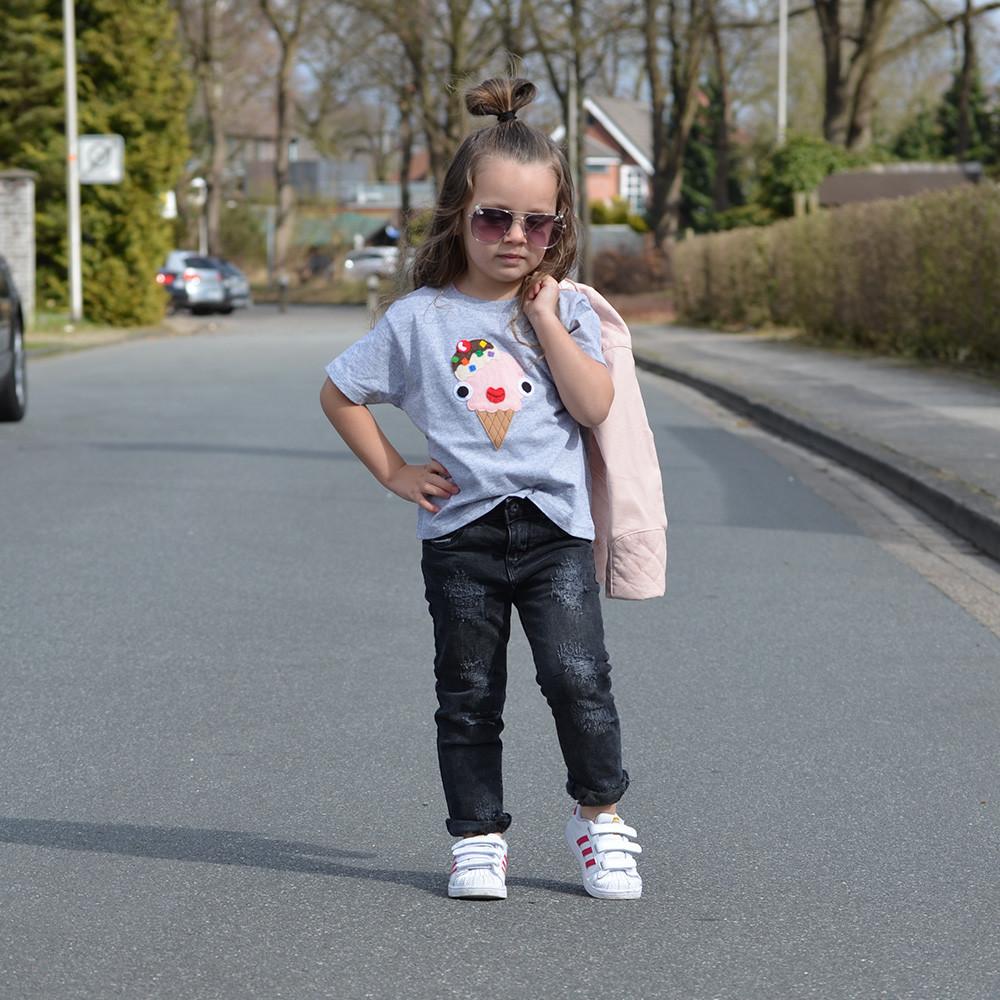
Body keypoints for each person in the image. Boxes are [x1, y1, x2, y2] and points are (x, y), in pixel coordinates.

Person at [320, 77, 642, 901]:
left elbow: (594, 403)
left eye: (539, 222)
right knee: (468, 692)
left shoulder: (564, 309)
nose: (515, 236)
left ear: (558, 227)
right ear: (460, 214)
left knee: (578, 679)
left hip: (554, 530)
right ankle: (477, 837)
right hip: (459, 538)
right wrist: (394, 469)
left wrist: (540, 319)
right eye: (495, 217)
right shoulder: (418, 319)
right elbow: (340, 392)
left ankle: (600, 820)